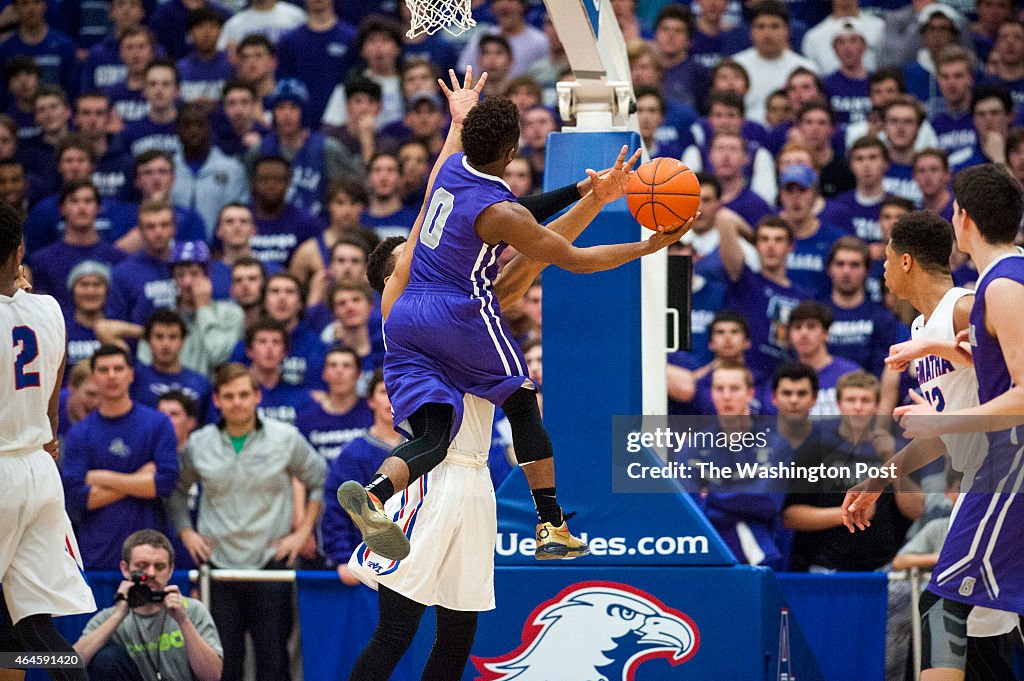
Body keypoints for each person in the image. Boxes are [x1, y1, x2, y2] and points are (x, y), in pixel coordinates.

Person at [337, 71, 687, 563]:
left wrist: (462, 118)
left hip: (412, 335)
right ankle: (550, 522)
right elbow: (568, 256)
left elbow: (515, 220)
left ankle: (374, 493)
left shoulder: (448, 176)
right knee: (522, 398)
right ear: (511, 152)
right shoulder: (484, 219)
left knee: (433, 438)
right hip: (456, 337)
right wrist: (649, 245)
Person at [847, 179, 1024, 678]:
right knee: (984, 638)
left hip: (1004, 469)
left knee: (944, 609)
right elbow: (941, 432)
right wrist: (881, 479)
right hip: (982, 476)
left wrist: (942, 414)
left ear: (904, 261)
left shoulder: (969, 304)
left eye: (884, 258)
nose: (880, 269)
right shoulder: (920, 331)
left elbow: (1008, 382)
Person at [168, 362, 325, 681]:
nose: (237, 402)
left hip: (271, 564)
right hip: (219, 567)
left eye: (243, 394)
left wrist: (303, 532)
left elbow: (319, 479)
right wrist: (186, 532)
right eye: (229, 396)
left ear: (257, 396)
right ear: (216, 400)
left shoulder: (286, 438)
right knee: (226, 662)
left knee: (273, 661)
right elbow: (176, 490)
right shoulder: (199, 443)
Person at [0, 200, 94, 681]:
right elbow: (55, 395)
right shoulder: (49, 309)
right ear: (19, 251)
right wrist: (49, 440)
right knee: (34, 629)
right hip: (38, 470)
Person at [61, 344, 180, 570]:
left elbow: (164, 483)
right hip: (98, 556)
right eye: (104, 370)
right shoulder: (79, 433)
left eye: (118, 368)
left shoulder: (158, 423)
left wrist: (102, 477)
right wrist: (139, 478)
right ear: (94, 377)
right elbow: (77, 497)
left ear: (131, 374)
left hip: (149, 558)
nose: (112, 376)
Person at [72, 529, 223, 681]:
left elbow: (213, 676)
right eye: (142, 566)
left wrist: (183, 621)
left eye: (159, 567)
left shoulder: (192, 610)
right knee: (107, 659)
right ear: (125, 569)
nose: (151, 573)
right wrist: (118, 615)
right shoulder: (110, 616)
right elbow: (64, 664)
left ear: (170, 570)